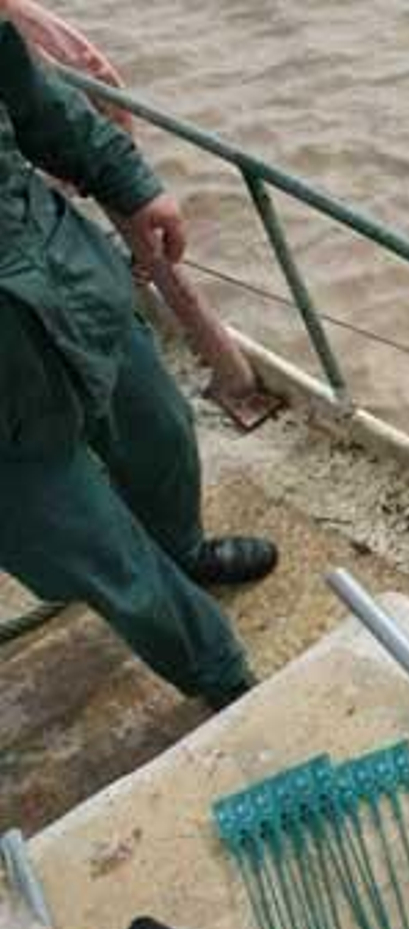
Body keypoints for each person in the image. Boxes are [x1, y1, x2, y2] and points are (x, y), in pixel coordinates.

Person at [0, 16, 275, 708]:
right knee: (99, 552)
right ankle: (220, 676)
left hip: (63, 276)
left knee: (161, 429)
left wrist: (131, 183)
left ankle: (184, 549)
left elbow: (35, 100)